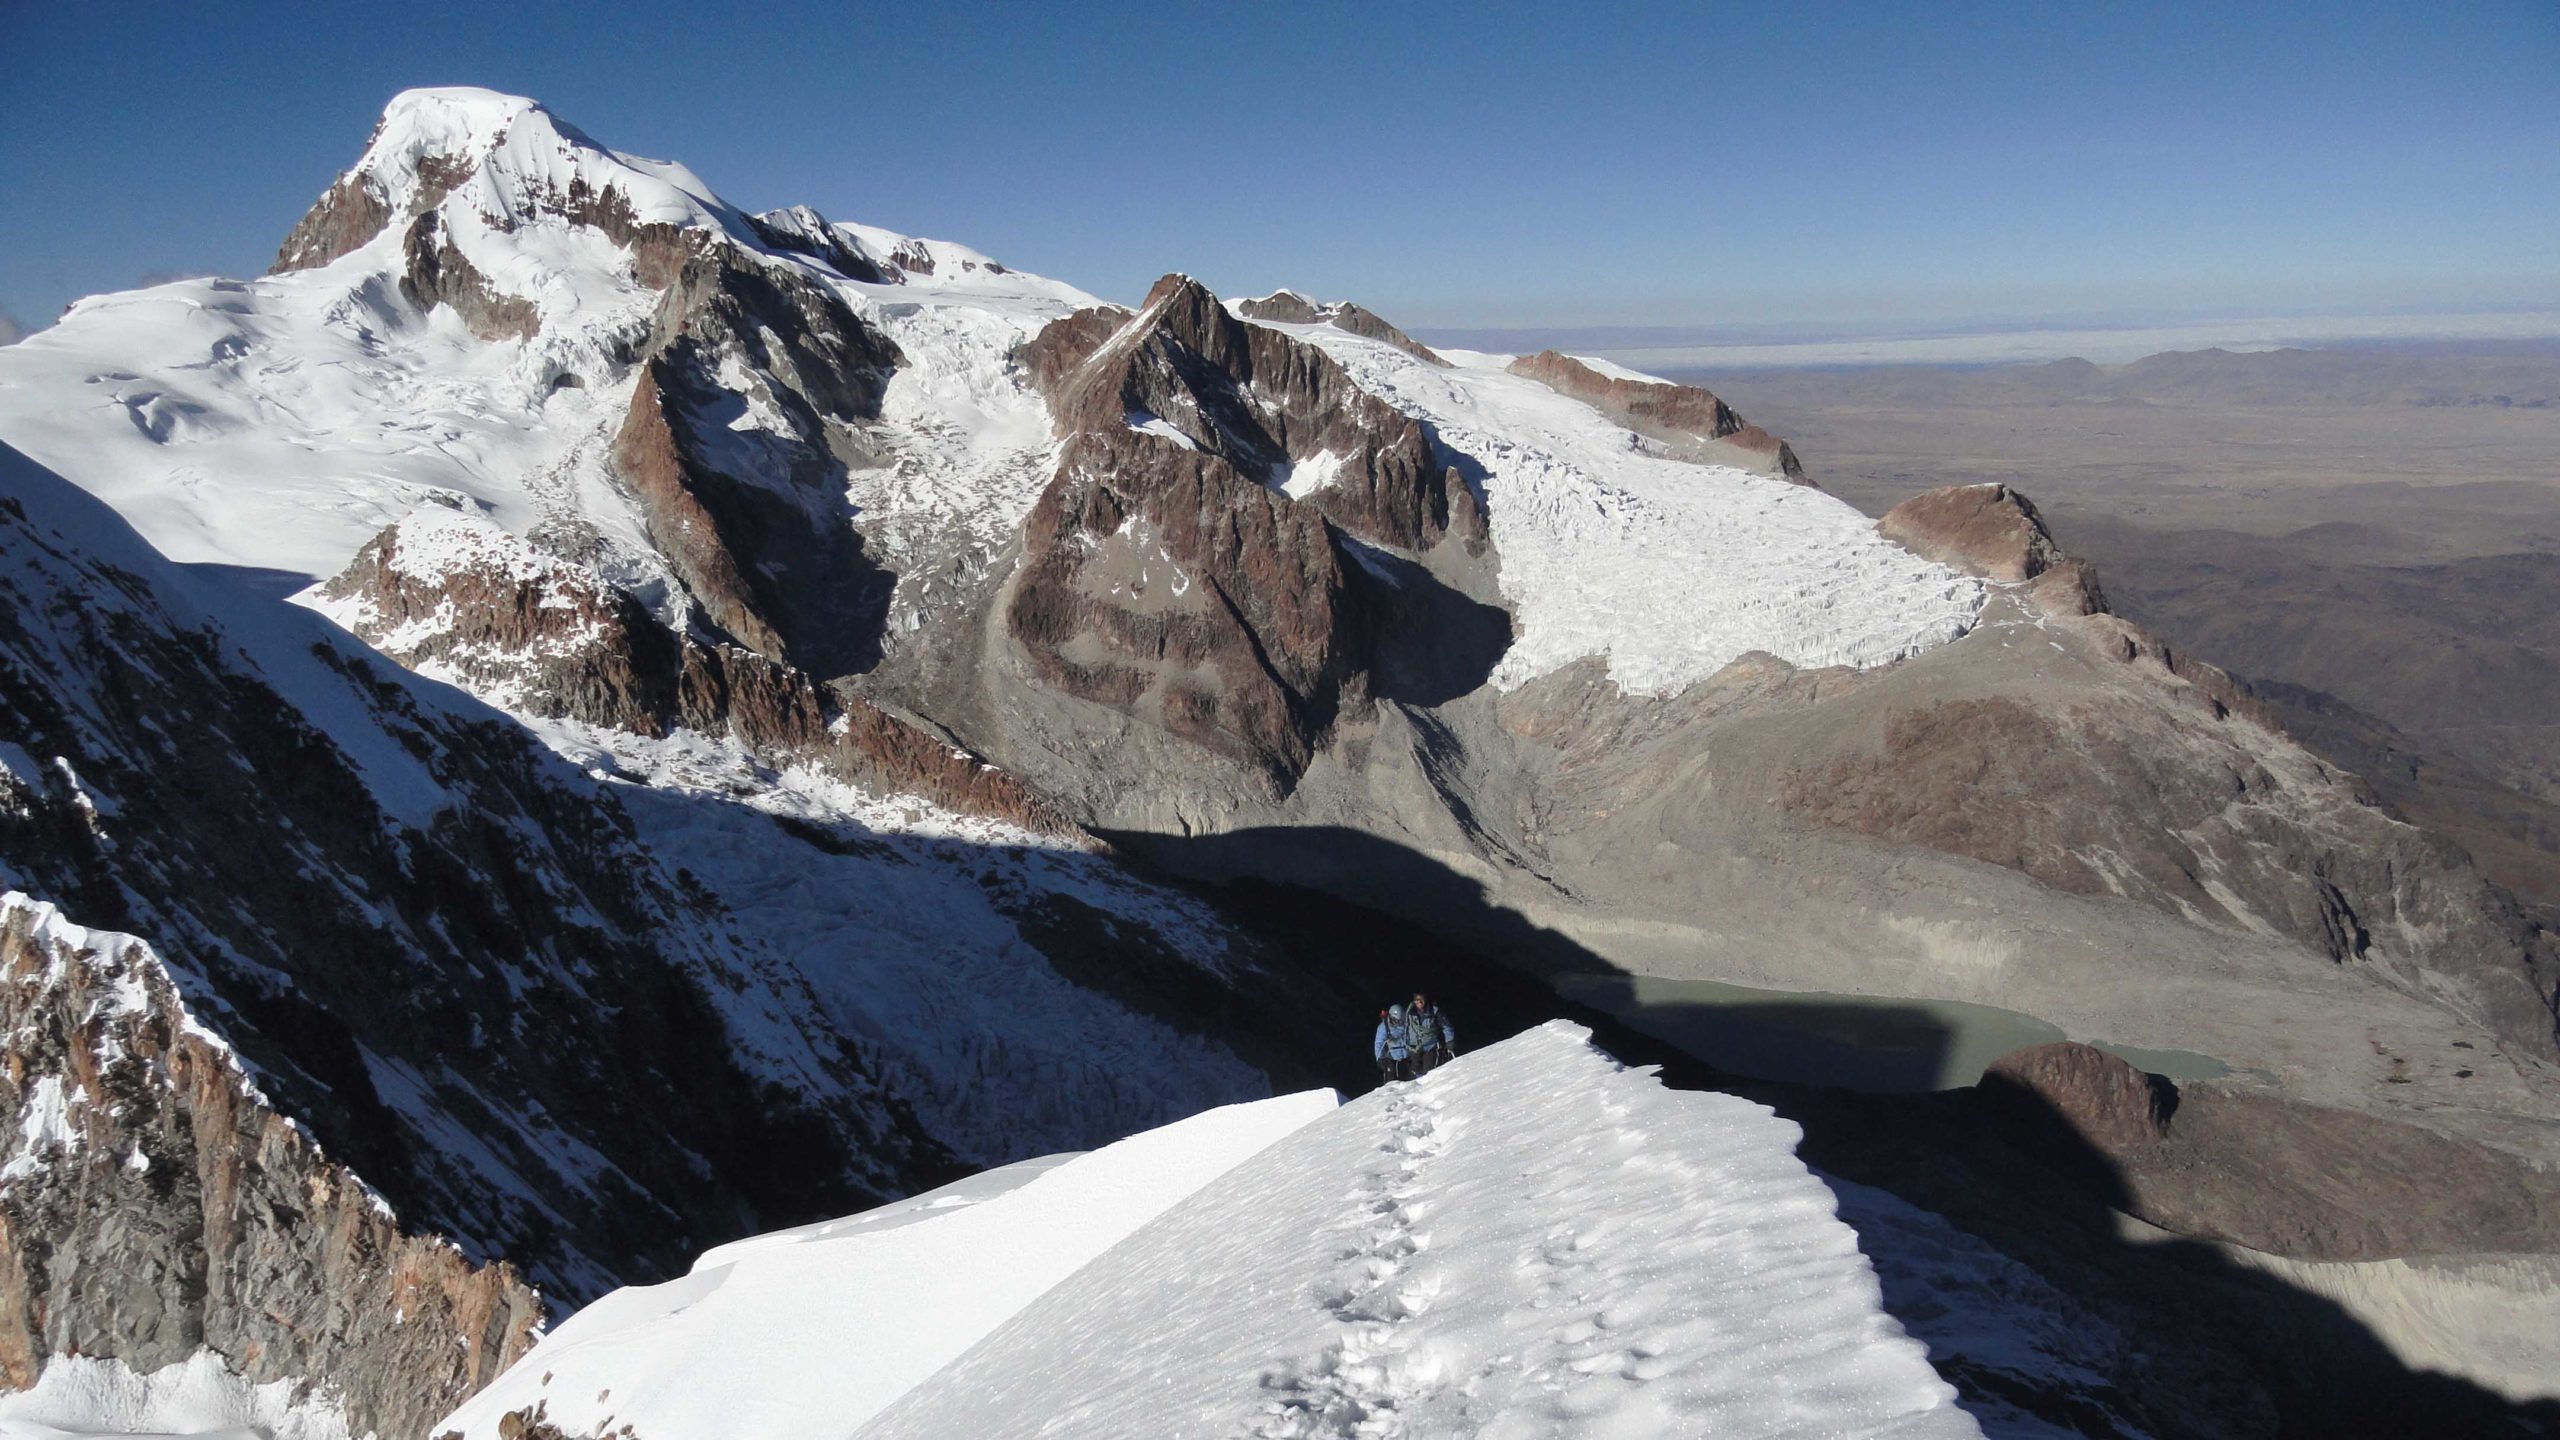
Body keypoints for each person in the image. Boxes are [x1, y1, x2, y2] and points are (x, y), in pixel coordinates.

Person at [1406, 993, 1455, 1074]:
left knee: (1428, 1072)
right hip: (1414, 1047)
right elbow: (1404, 1030)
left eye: (1421, 999)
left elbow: (1446, 1026)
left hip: (1430, 1046)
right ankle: (1417, 1086)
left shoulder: (1434, 1012)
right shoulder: (1410, 1013)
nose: (1419, 1002)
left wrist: (1449, 1040)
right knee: (1414, 1072)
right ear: (1414, 1001)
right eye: (1417, 1000)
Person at [1374, 1004, 1413, 1085]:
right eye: (1396, 1020)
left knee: (1409, 1083)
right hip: (1391, 1060)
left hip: (1407, 1058)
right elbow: (1379, 1044)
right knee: (1392, 1084)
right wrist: (1380, 1058)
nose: (1398, 1023)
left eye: (1400, 1020)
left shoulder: (1407, 1025)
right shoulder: (1384, 1027)